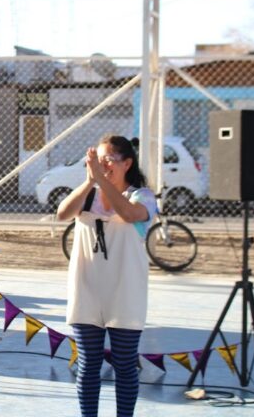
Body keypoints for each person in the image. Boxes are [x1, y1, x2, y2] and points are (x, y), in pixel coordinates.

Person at [56, 135, 156, 417]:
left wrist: (101, 180)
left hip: (125, 293)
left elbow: (128, 214)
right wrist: (91, 182)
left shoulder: (142, 197)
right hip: (87, 290)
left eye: (109, 160)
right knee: (89, 363)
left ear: (127, 163)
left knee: (124, 363)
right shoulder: (87, 195)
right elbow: (62, 214)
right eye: (98, 161)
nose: (102, 166)